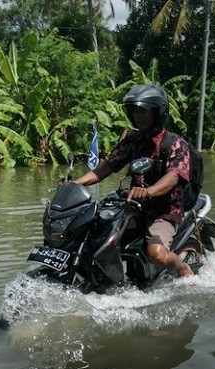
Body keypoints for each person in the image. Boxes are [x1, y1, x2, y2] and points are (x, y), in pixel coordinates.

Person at [72, 84, 193, 278]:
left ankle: (181, 268)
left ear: (157, 112)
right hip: (132, 207)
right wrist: (76, 183)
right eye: (135, 111)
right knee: (96, 234)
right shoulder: (132, 141)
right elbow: (107, 166)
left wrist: (149, 191)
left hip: (164, 211)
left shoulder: (175, 143)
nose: (138, 116)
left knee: (157, 254)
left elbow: (173, 177)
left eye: (143, 111)